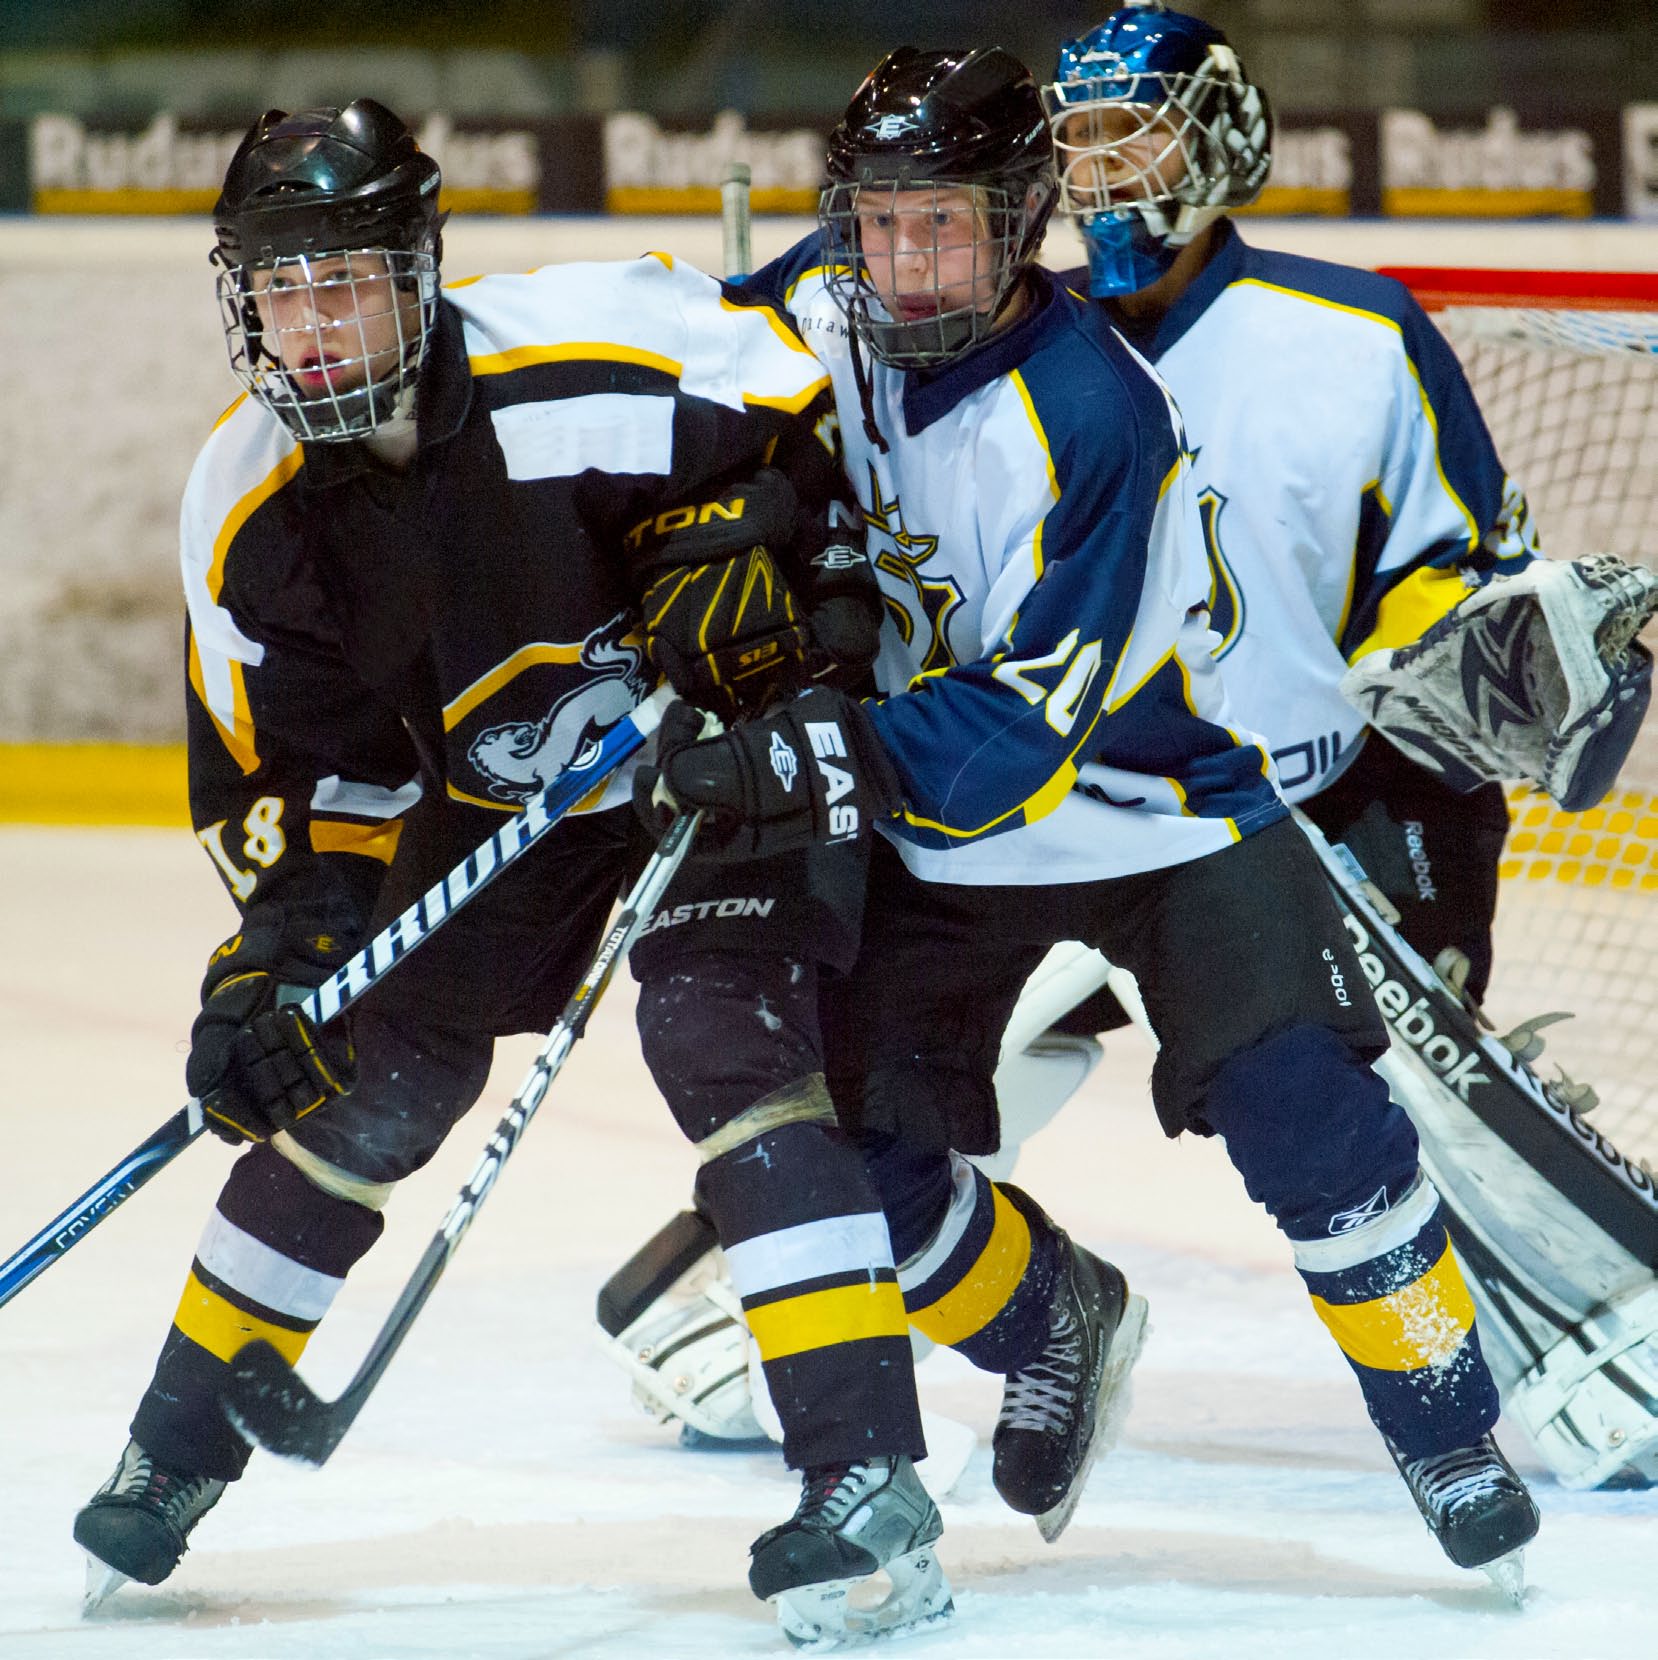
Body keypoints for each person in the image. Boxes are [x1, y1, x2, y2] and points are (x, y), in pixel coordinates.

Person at [639, 42, 1542, 1604]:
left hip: (1164, 812)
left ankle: (1444, 1426)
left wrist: (800, 756)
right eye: (876, 219)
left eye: (944, 225)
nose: (903, 259)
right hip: (942, 840)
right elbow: (667, 361)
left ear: (1022, 220)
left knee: (1308, 1125)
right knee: (845, 1149)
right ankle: (1050, 1311)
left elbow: (1009, 750)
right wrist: (714, 537)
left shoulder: (1092, 414)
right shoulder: (827, 303)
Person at [70, 98, 938, 1638]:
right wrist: (280, 961)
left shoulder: (586, 354)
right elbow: (312, 781)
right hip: (504, 806)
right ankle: (176, 1450)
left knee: (719, 1039)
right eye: (282, 290)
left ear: (419, 269)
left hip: (713, 749)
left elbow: (805, 426)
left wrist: (734, 539)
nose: (315, 326)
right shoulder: (252, 506)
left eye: (345, 282)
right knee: (366, 1078)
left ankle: (866, 1485)